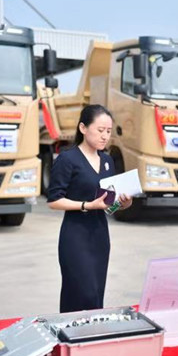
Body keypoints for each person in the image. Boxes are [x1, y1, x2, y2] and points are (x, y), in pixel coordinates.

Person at [47, 105, 133, 313]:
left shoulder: (106, 160)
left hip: (99, 235)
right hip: (75, 235)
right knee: (79, 291)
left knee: (95, 292)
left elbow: (107, 204)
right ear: (83, 128)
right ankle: (70, 339)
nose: (105, 136)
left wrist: (123, 203)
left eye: (108, 131)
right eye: (100, 130)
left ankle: (91, 341)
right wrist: (86, 205)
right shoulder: (68, 159)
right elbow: (53, 200)